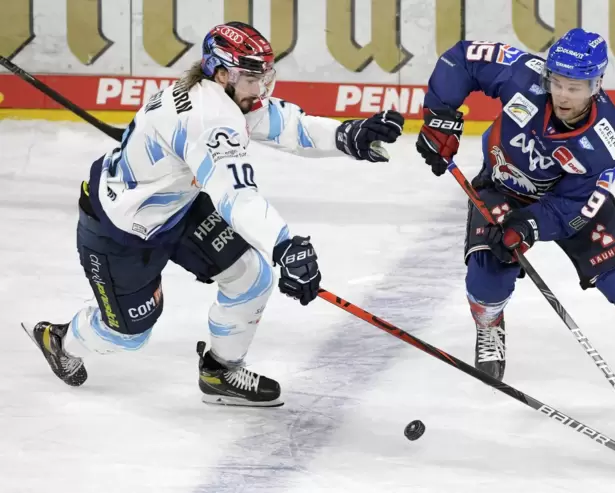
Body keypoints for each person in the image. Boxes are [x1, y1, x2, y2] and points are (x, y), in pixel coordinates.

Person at [24, 21, 404, 407]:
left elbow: (284, 124)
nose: (259, 89)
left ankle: (220, 371)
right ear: (221, 72)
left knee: (251, 276)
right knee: (128, 333)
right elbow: (235, 196)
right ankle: (61, 341)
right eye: (249, 78)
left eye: (262, 76)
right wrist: (284, 243)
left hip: (179, 208)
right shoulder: (210, 116)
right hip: (119, 230)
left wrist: (346, 136)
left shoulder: (222, 95)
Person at [415, 29, 615, 410]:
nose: (562, 94)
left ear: (597, 84)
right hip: (503, 186)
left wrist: (530, 224)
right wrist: (439, 116)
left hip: (566, 203)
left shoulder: (603, 139)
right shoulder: (522, 74)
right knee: (486, 278)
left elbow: (575, 207)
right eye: (557, 82)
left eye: (575, 87)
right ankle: (490, 324)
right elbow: (462, 58)